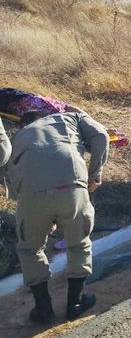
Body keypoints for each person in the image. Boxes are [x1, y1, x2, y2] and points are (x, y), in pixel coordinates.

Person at [7, 111, 109, 325]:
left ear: (24, 124)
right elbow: (101, 135)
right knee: (78, 244)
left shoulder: (17, 138)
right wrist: (95, 174)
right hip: (72, 184)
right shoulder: (70, 117)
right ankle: (76, 303)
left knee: (29, 249)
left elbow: (10, 177)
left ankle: (43, 309)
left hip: (30, 195)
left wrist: (39, 211)